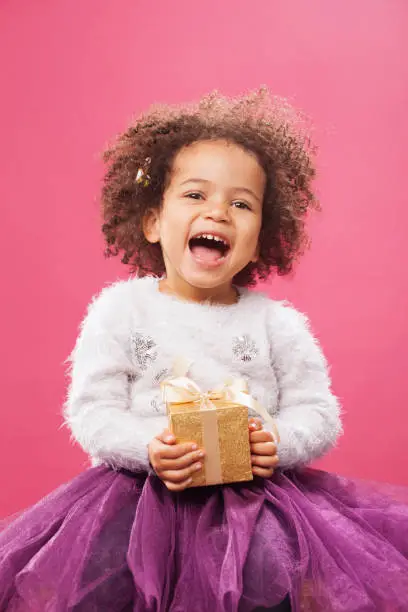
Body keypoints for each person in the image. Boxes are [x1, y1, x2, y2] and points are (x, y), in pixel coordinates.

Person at [1, 89, 407, 612]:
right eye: (195, 195)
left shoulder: (275, 323)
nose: (218, 211)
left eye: (241, 204)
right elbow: (93, 411)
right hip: (137, 510)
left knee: (265, 591)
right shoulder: (120, 310)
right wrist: (152, 446)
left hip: (256, 516)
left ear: (261, 238)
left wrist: (277, 441)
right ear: (152, 221)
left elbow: (319, 410)